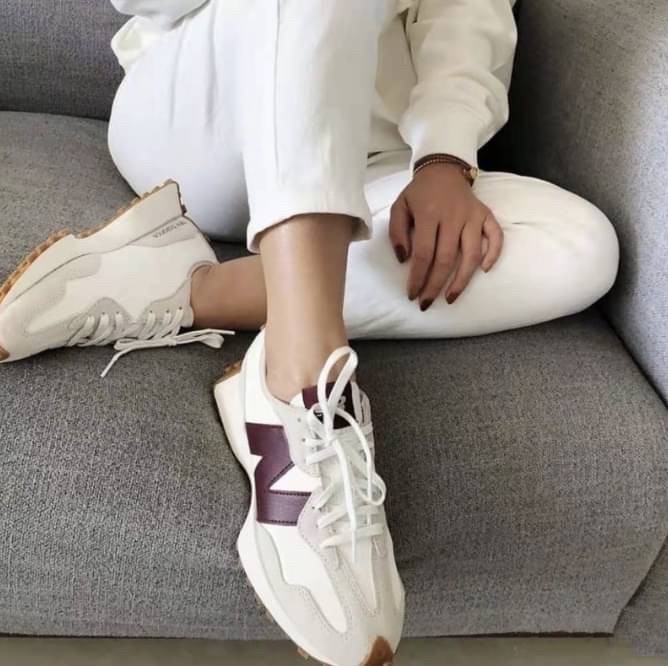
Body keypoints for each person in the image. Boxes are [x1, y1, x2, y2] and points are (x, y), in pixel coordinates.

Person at [0, 1, 619, 664]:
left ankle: (196, 290)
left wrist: (443, 159)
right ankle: (300, 381)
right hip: (206, 122)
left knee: (579, 246)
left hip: (370, 160)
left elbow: (465, 12)